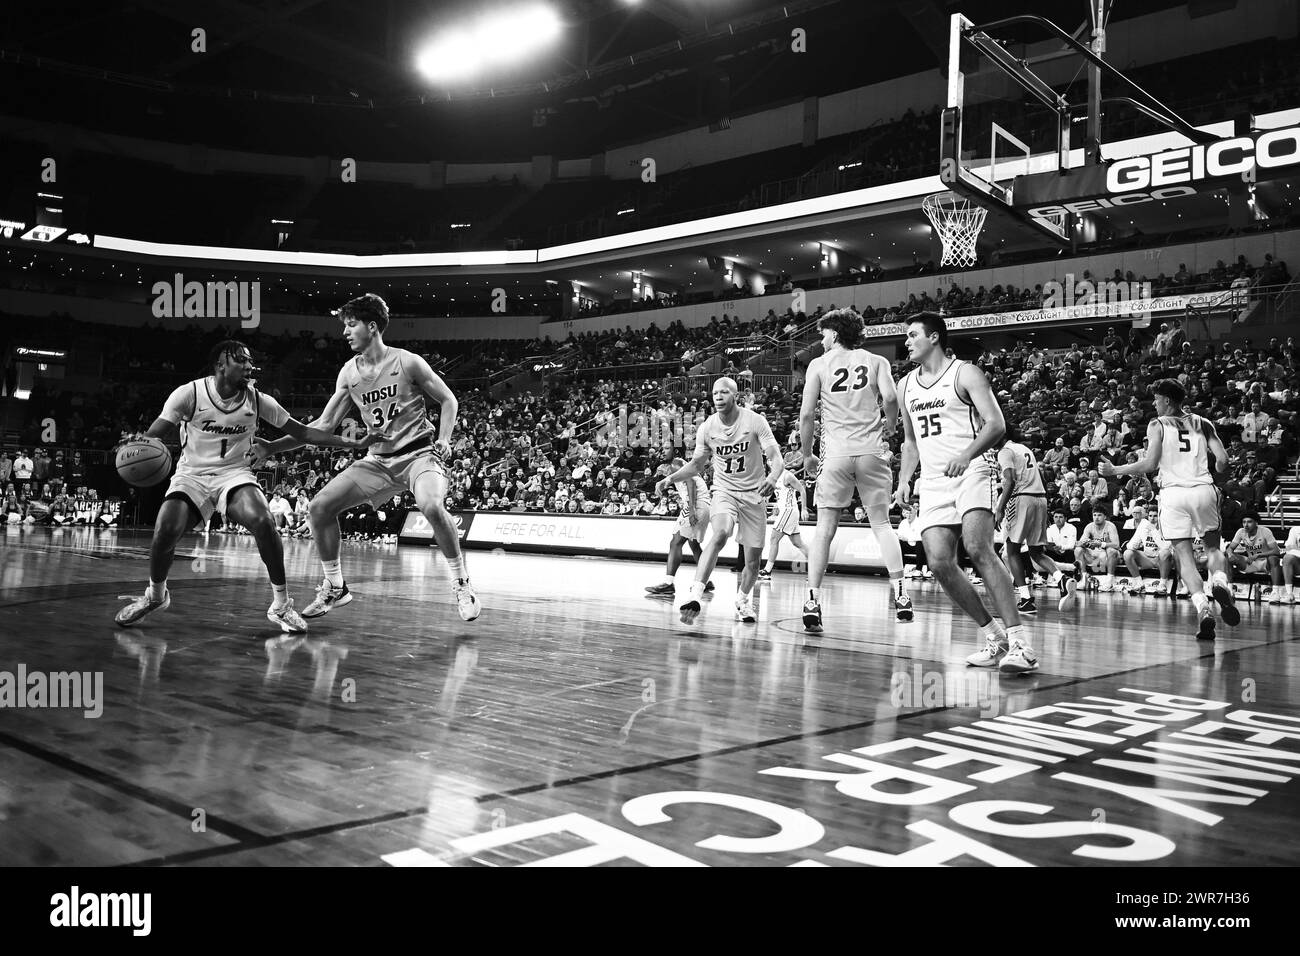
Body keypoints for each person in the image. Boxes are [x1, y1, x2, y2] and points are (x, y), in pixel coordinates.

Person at [115, 340, 375, 630]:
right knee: (165, 530)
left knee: (263, 521)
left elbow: (303, 433)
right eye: (241, 360)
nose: (249, 366)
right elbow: (156, 435)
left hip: (234, 474)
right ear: (220, 366)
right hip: (192, 476)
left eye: (250, 360)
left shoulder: (258, 399)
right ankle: (155, 595)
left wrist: (350, 442)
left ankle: (281, 605)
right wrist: (138, 445)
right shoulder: (189, 393)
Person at [254, 294, 481, 623]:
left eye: (351, 324)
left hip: (419, 454)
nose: (345, 332)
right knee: (319, 508)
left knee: (431, 506)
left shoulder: (408, 362)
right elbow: (322, 427)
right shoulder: (349, 373)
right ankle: (335, 586)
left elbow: (448, 400)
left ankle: (461, 583)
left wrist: (445, 439)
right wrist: (272, 448)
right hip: (377, 461)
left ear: (372, 327)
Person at [892, 313, 1038, 674]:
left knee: (977, 546)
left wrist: (966, 454)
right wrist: (904, 479)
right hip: (934, 481)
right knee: (940, 562)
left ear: (935, 337)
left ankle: (1022, 643)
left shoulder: (965, 373)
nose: (907, 342)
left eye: (913, 336)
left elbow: (996, 423)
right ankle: (995, 635)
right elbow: (910, 442)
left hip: (974, 468)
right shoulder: (905, 385)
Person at [1100, 378, 1239, 640]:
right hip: (1203, 491)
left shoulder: (1158, 424)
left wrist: (1116, 470)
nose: (1153, 403)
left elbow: (1150, 463)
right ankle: (1219, 581)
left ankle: (1203, 609)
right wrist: (1219, 469)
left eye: (1156, 399)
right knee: (1212, 549)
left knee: (1184, 556)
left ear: (1166, 400)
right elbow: (1223, 460)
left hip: (1174, 495)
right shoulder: (1204, 423)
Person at [798, 308, 911, 630]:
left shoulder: (819, 365)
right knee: (882, 526)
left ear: (834, 333)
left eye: (823, 334)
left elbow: (807, 416)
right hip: (872, 452)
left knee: (824, 531)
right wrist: (889, 424)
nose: (821, 340)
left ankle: (812, 599)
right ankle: (901, 592)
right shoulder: (877, 362)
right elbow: (890, 397)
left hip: (835, 454)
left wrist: (807, 454)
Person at [656, 377, 783, 624]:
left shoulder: (755, 421)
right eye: (715, 393)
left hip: (755, 494)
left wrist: (773, 476)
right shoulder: (707, 427)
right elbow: (695, 465)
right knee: (721, 533)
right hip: (724, 491)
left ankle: (743, 600)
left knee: (753, 560)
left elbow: (775, 456)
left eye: (724, 392)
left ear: (735, 395)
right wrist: (669, 479)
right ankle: (695, 594)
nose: (718, 396)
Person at [994, 427, 1077, 614]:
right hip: (1040, 498)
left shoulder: (1005, 451)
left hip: (1022, 498)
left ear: (1001, 435)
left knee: (1011, 549)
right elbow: (1040, 475)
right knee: (1036, 552)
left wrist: (1000, 508)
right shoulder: (1024, 449)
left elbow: (1010, 480)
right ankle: (1061, 579)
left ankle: (1026, 599)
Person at [645, 457, 715, 597]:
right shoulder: (683, 467)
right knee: (693, 544)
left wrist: (691, 509)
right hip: (705, 506)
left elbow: (690, 484)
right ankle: (705, 581)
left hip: (696, 505)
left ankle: (668, 584)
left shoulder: (676, 464)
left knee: (676, 542)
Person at [759, 468, 810, 580]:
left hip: (789, 510)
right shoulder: (774, 476)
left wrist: (804, 509)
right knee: (798, 543)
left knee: (773, 539)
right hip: (785, 510)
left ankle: (767, 571)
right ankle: (817, 568)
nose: (771, 462)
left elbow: (802, 490)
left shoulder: (787, 476)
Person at [1121, 503, 1174, 595]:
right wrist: (1136, 544)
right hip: (1147, 558)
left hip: (1162, 561)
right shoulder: (1143, 525)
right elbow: (1129, 545)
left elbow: (1165, 547)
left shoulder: (1166, 527)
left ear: (1160, 517)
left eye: (1155, 516)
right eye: (1150, 516)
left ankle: (1162, 584)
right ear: (1147, 517)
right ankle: (1139, 583)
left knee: (1164, 553)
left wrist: (1153, 531)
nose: (1152, 518)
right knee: (1127, 553)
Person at [1226, 513, 1281, 598]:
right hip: (1251, 563)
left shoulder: (1265, 531)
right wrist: (1230, 554)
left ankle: (1275, 592)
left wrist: (1258, 555)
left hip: (1266, 563)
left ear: (1256, 523)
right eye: (1244, 522)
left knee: (1273, 558)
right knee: (1228, 557)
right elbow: (1230, 548)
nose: (1246, 525)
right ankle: (1229, 590)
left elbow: (1276, 551)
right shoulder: (1241, 532)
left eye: (1249, 522)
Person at [1077, 507, 1122, 590]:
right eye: (1094, 515)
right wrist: (1086, 543)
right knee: (1078, 550)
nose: (1096, 518)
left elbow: (1116, 545)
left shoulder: (1110, 526)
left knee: (1111, 550)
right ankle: (1083, 579)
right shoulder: (1089, 526)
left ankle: (1110, 581)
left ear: (1105, 517)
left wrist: (1101, 544)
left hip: (1108, 556)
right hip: (1095, 555)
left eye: (1099, 515)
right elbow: (1079, 543)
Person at [1279, 526, 1300, 605]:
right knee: (1287, 558)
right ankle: (1289, 595)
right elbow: (1289, 548)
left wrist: (1296, 548)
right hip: (1298, 563)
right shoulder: (1295, 529)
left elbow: (1293, 548)